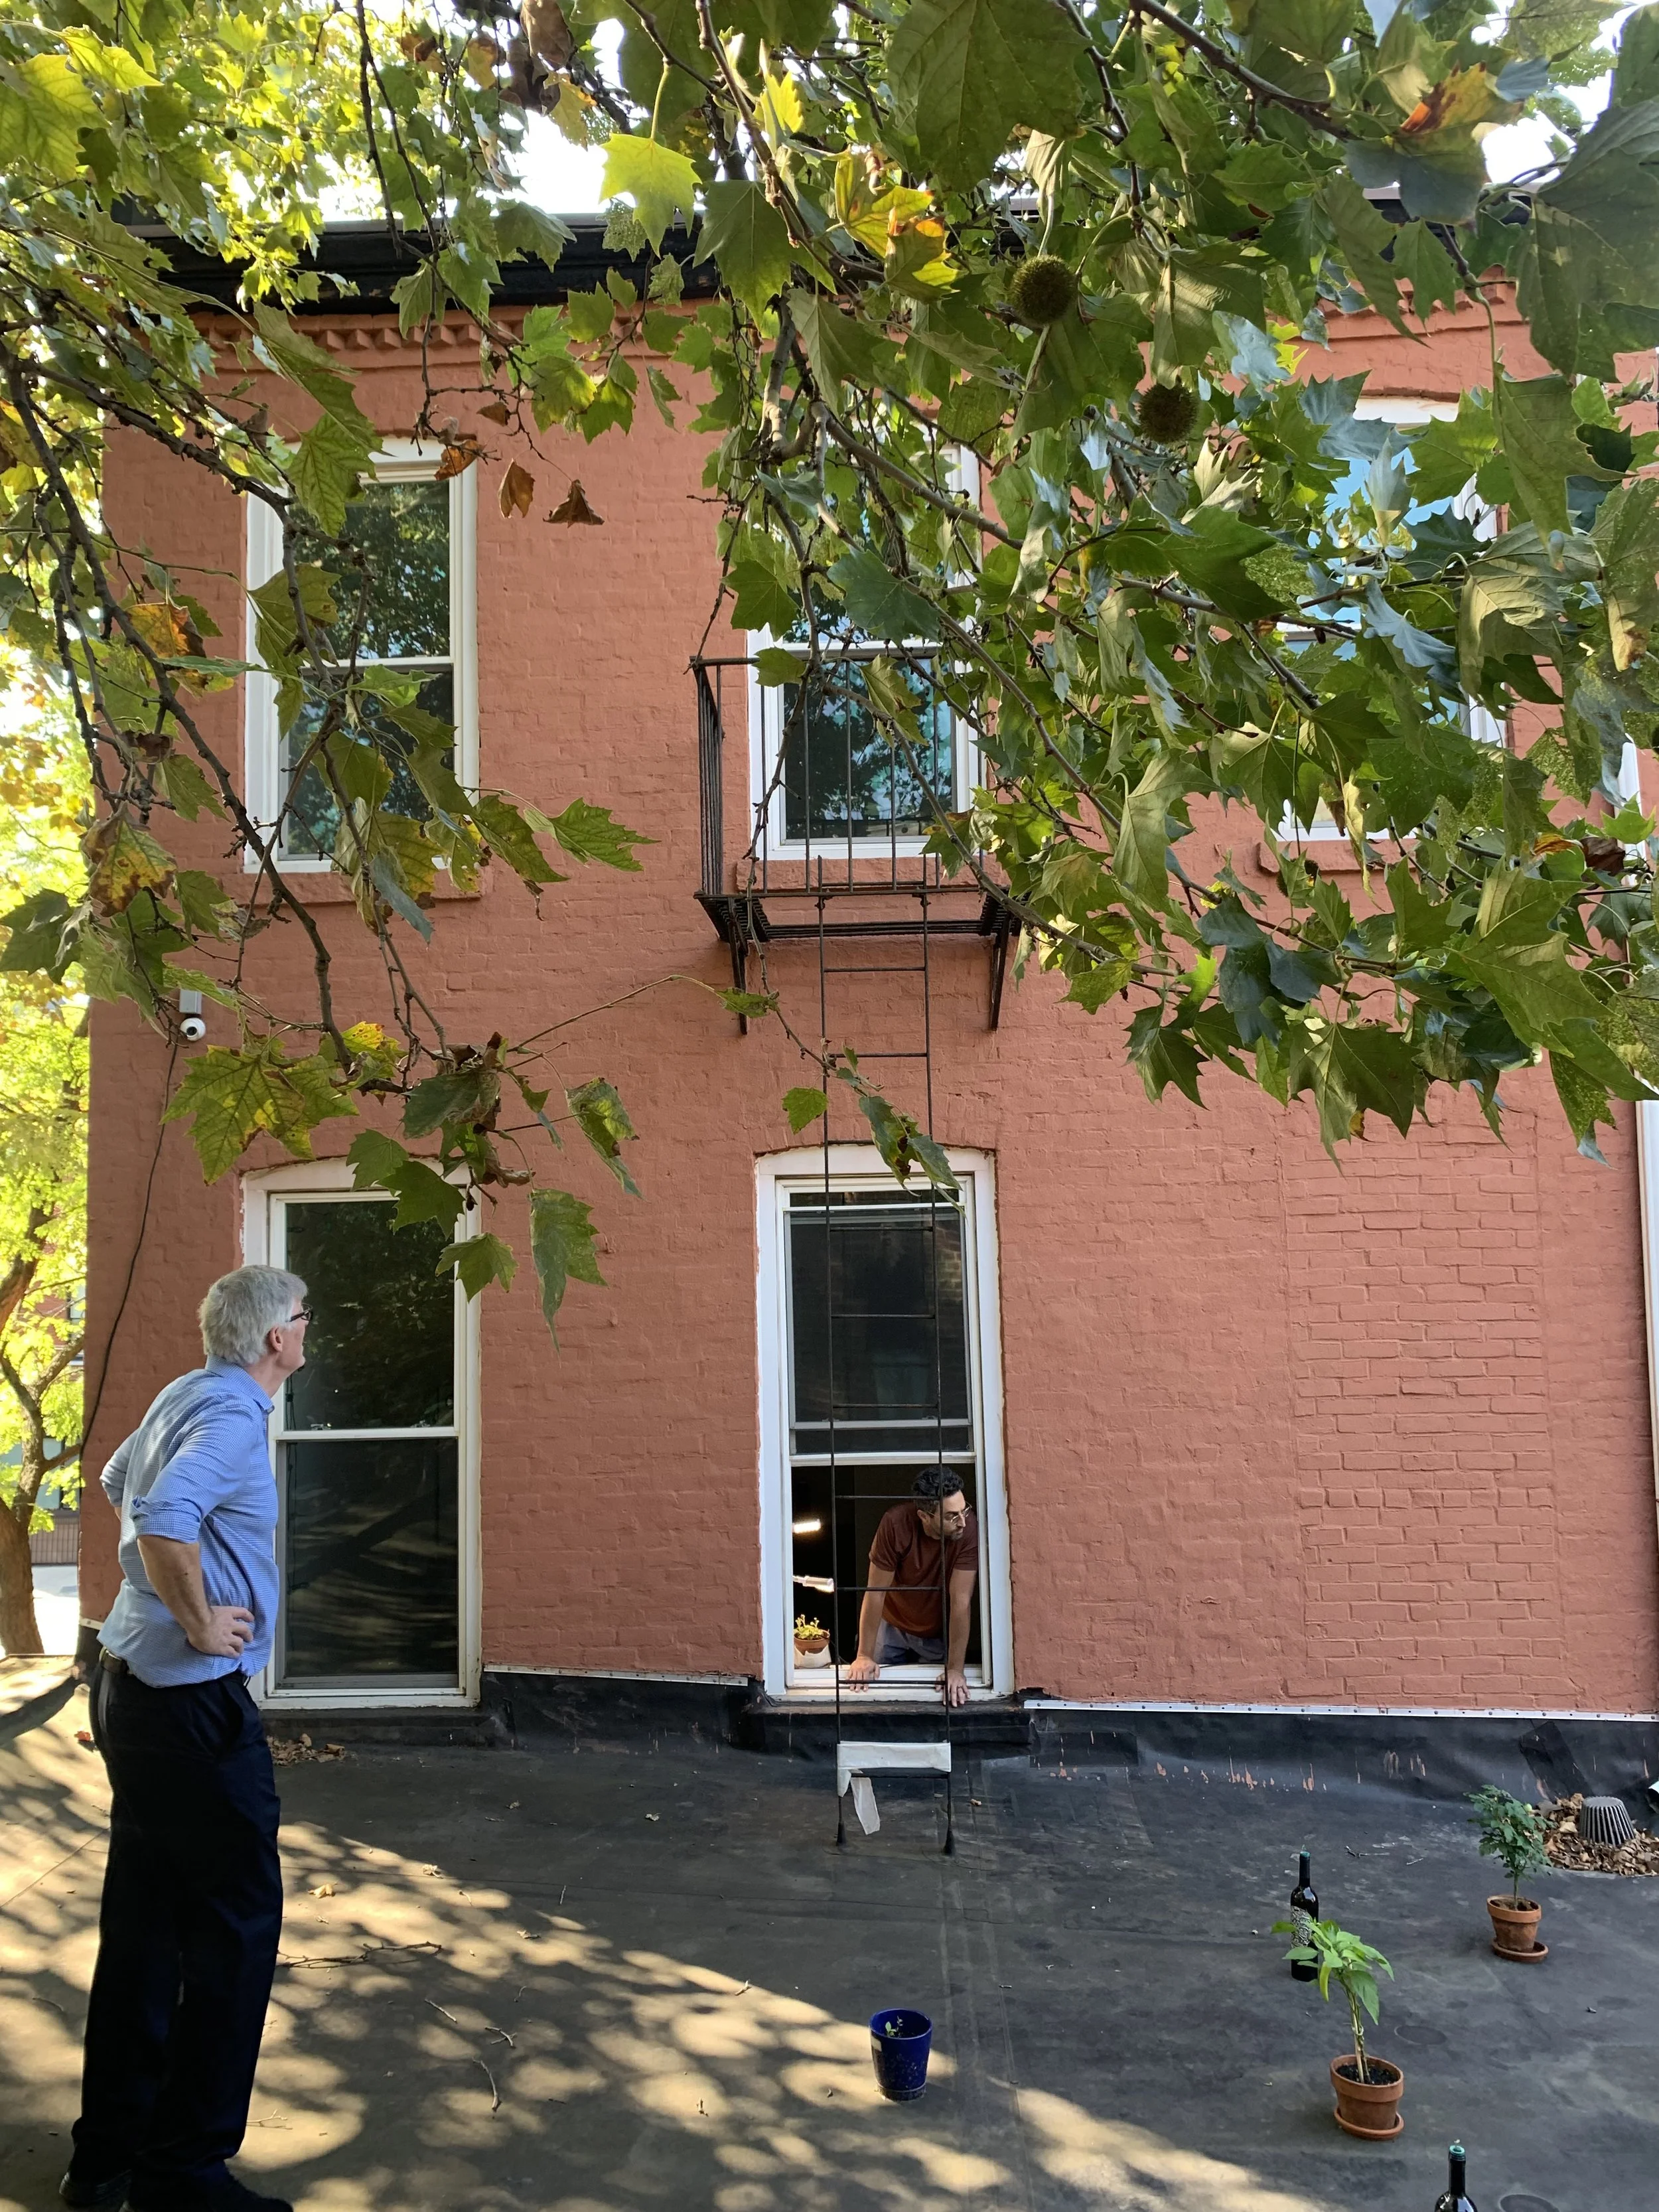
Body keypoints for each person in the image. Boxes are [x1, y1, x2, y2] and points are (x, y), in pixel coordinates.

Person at [64, 1266, 311, 2212]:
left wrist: (164, 1599)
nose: (306, 1330)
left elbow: (119, 1479)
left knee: (145, 1926)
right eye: (302, 1317)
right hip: (190, 1706)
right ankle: (184, 2175)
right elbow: (161, 1514)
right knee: (234, 1933)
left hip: (129, 1690)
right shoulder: (233, 1416)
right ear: (275, 1341)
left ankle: (108, 2162)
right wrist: (202, 1618)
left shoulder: (185, 1391)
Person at [845, 1466, 979, 1708]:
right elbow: (875, 1593)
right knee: (871, 1694)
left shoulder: (967, 1529)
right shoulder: (896, 1524)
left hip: (937, 1631)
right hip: (892, 1626)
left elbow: (961, 1601)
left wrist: (956, 1669)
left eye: (964, 1510)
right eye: (951, 1516)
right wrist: (863, 1655)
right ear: (924, 1516)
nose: (962, 1522)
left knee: (936, 1698)